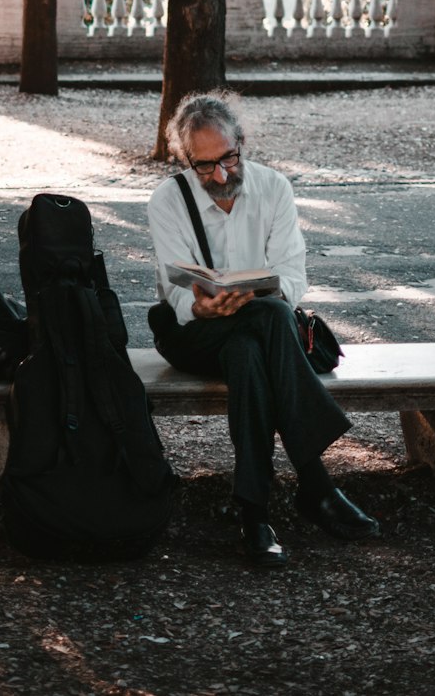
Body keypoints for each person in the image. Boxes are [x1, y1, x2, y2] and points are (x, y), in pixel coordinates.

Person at [147, 90, 378, 566]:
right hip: (194, 333)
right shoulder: (168, 200)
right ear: (186, 160)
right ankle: (315, 484)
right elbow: (175, 293)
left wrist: (259, 296)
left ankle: (253, 512)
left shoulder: (274, 189)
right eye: (204, 166)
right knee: (268, 321)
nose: (220, 175)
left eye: (228, 159)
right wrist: (202, 310)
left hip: (258, 335)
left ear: (242, 144)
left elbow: (292, 278)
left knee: (252, 345)